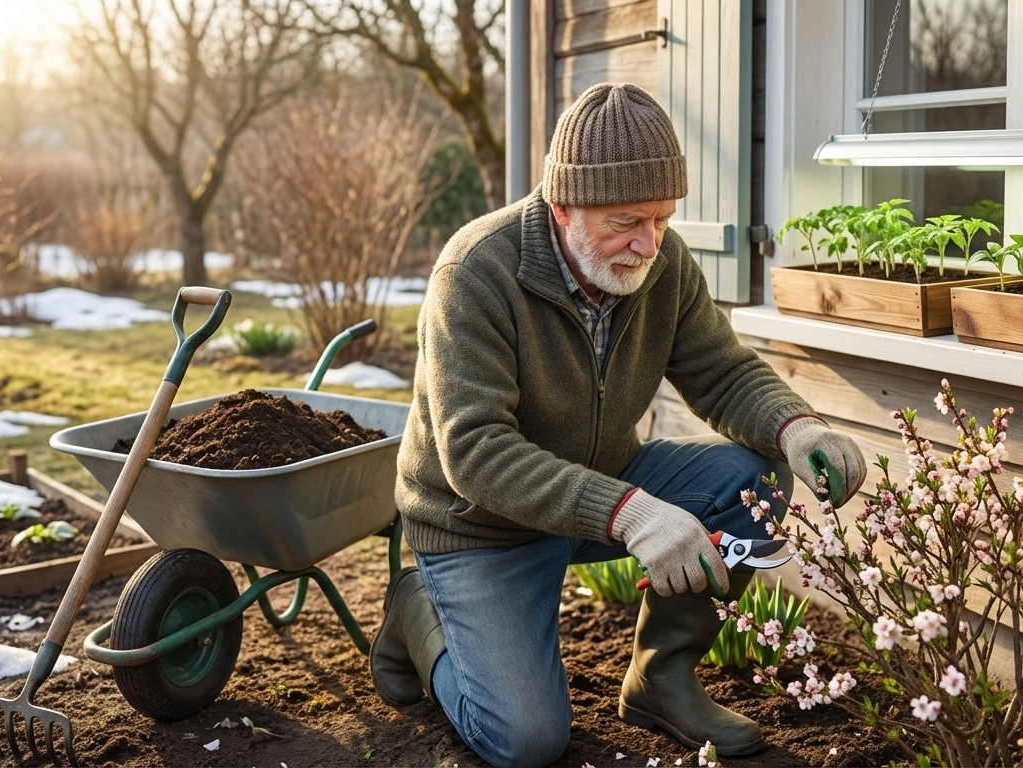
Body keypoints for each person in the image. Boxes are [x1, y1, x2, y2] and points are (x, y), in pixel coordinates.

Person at [369, 81, 866, 768]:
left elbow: (721, 372)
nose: (647, 243)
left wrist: (797, 428)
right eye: (625, 221)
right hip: (480, 526)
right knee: (525, 743)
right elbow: (474, 452)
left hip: (599, 483)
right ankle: (419, 615)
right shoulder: (477, 272)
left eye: (662, 218)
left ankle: (659, 681)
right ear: (561, 204)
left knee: (750, 478)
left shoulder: (660, 265)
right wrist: (633, 516)